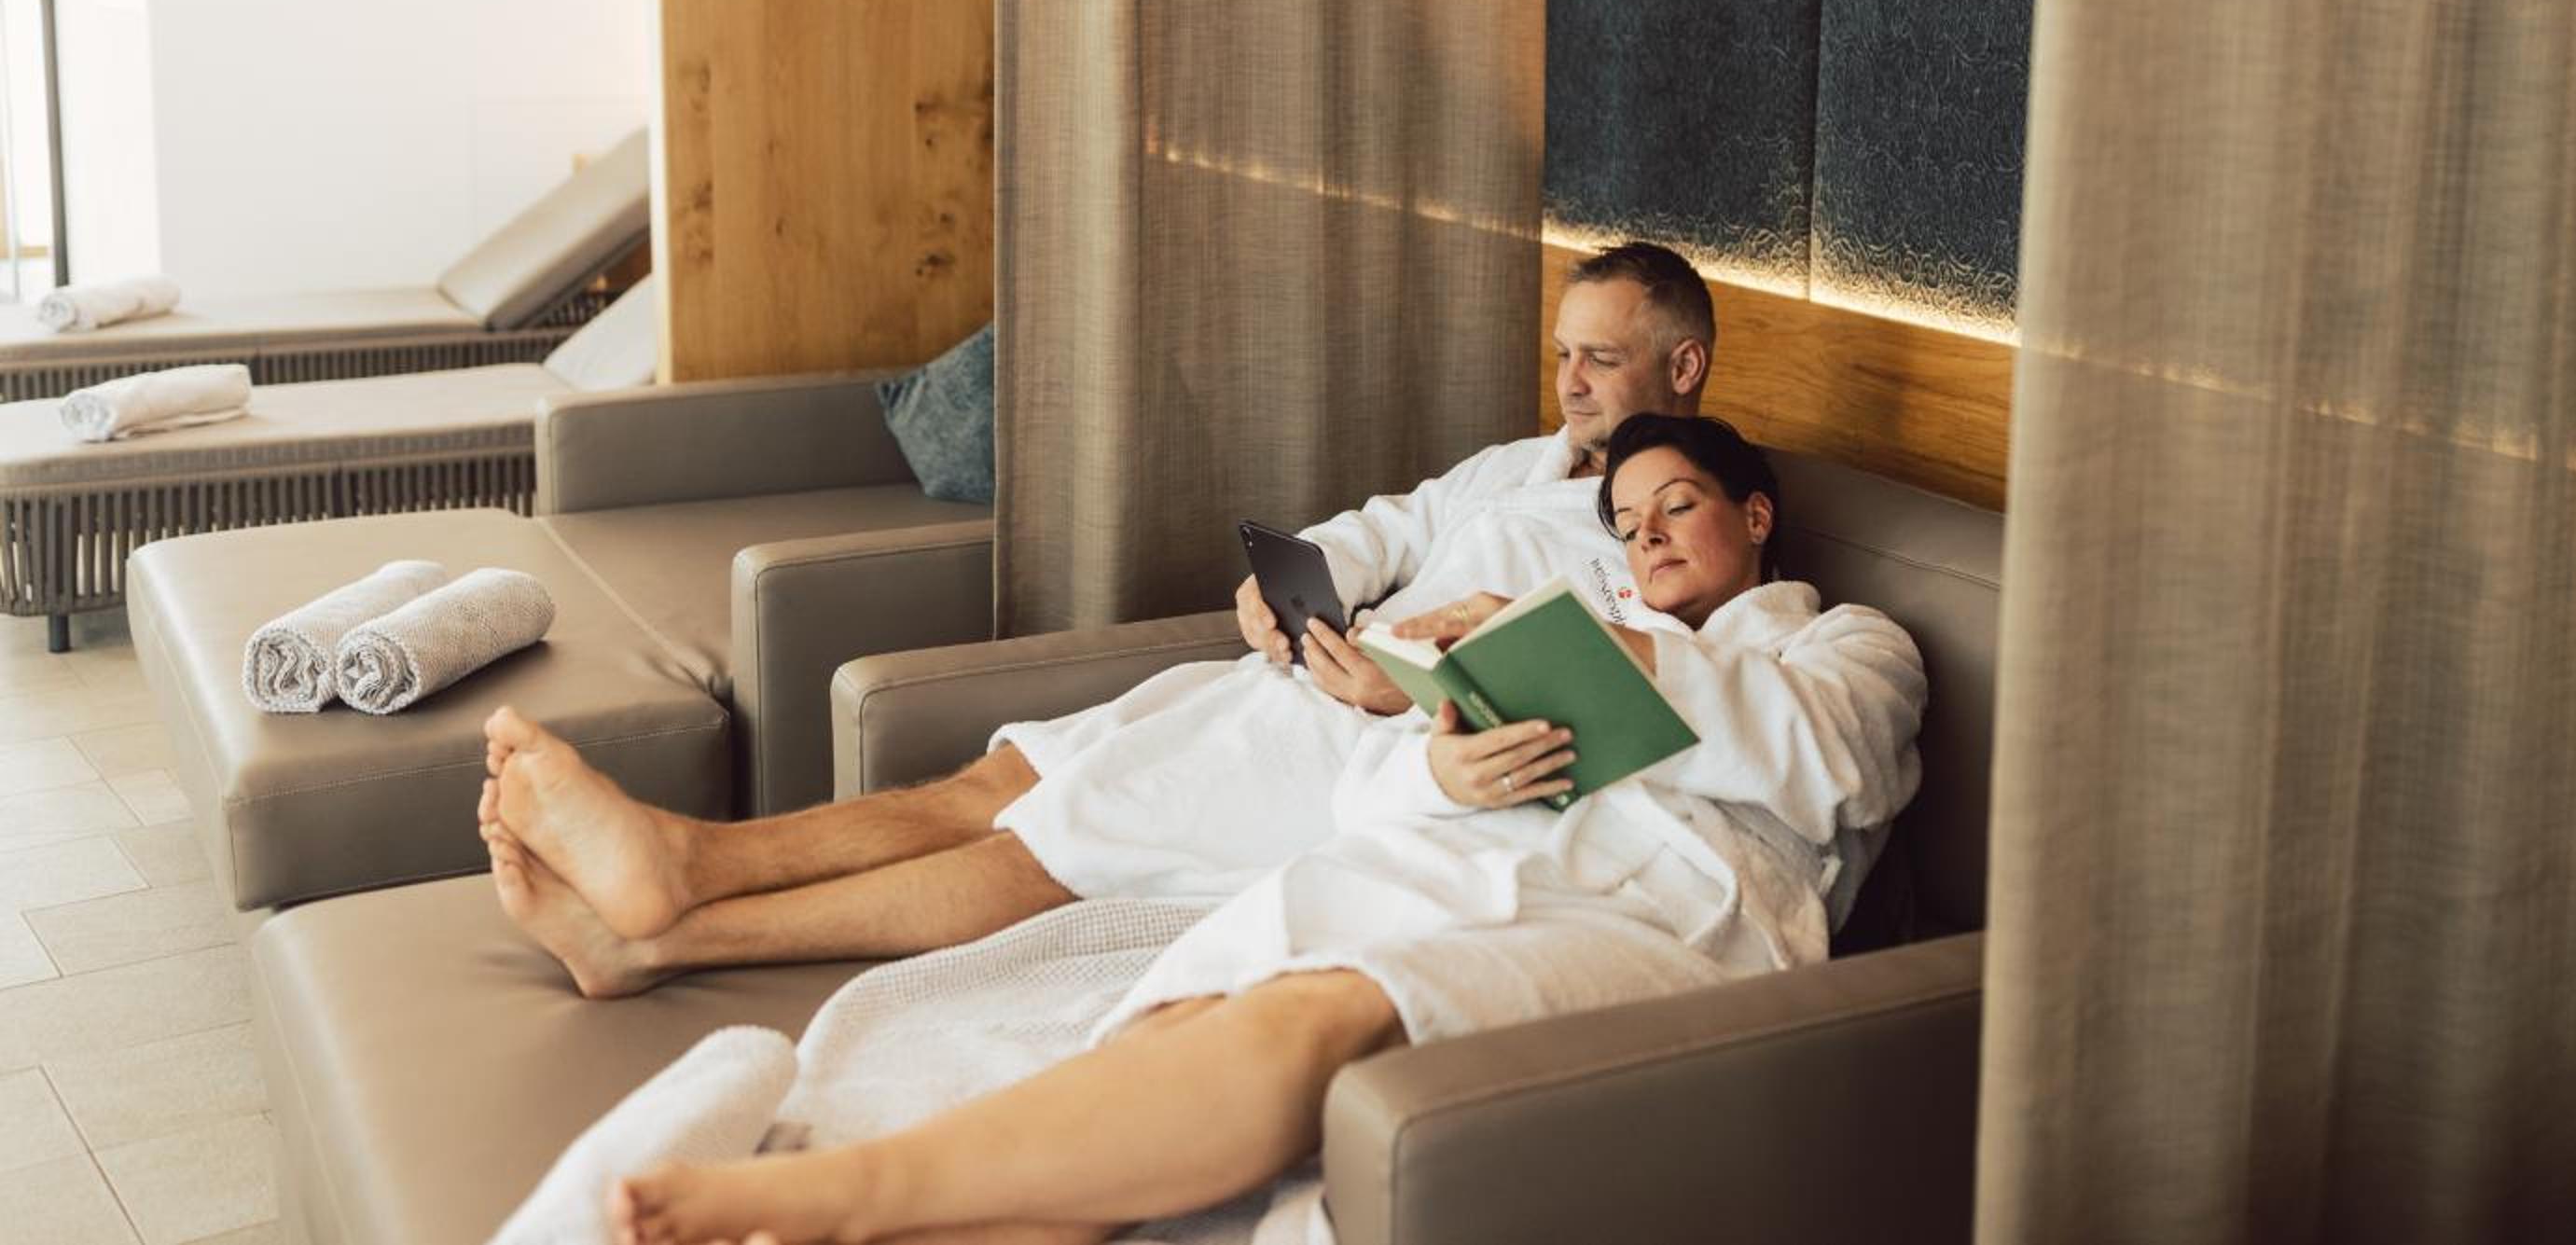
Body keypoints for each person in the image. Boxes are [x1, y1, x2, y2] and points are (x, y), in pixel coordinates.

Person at [603, 411, 1927, 1245]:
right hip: (1460, 855)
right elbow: (1371, 794)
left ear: (1755, 516)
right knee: (1198, 1011)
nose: (1648, 539)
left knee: (1323, 1012)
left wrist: (1619, 654)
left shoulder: (1847, 645)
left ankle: (845, 1196)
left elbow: (1835, 763)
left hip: (1657, 919)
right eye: (1628, 526)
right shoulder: (1575, 611)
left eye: (1677, 507)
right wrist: (1448, 773)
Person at [479, 242, 1722, 996]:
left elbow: (1605, 681)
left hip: (1376, 756)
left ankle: (665, 935)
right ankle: (689, 861)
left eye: (1600, 361)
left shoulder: (1681, 522)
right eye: (1562, 353)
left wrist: (1408, 684)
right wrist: (1301, 583)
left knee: (1043, 847)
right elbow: (1387, 525)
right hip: (1292, 686)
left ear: (1684, 368)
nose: (1568, 383)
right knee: (1004, 777)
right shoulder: (1523, 463)